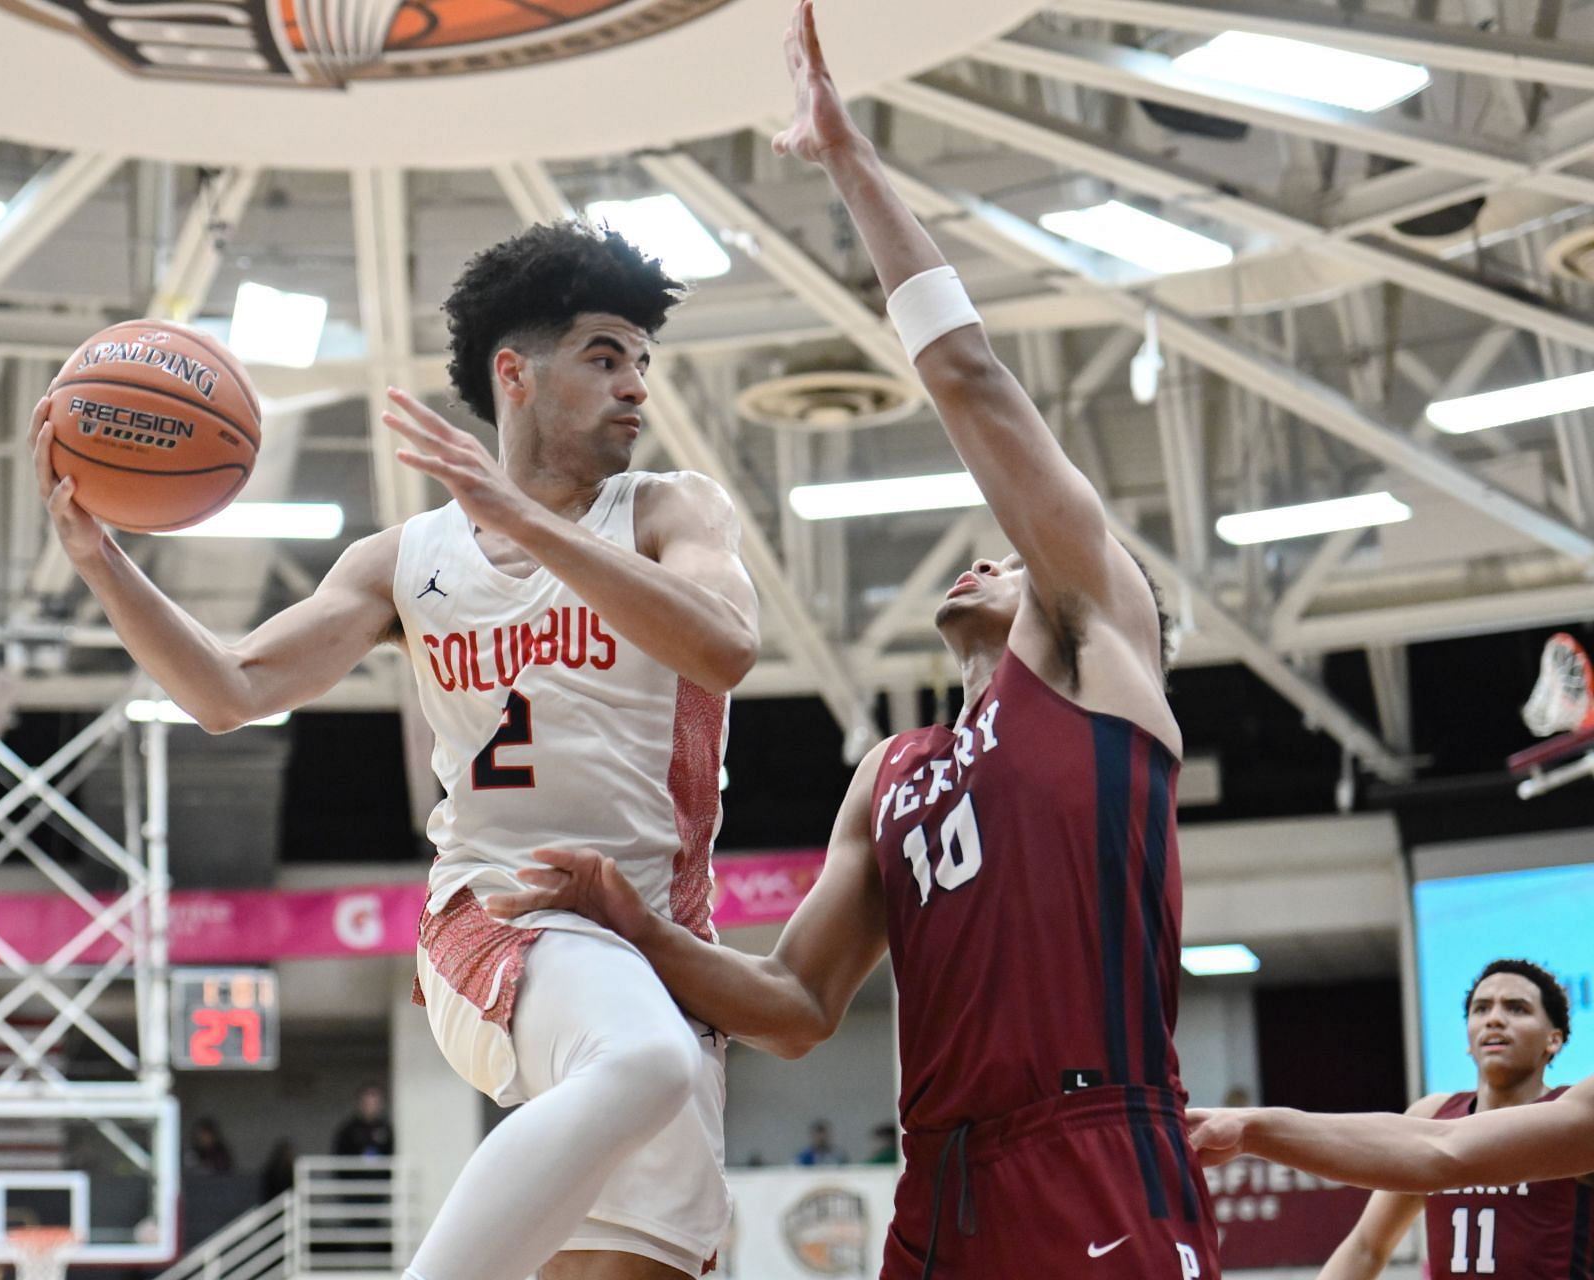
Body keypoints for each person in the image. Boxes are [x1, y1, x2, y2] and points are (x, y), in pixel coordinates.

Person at [490, 5, 1217, 1278]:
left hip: (1095, 1139)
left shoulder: (1106, 658)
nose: (984, 556)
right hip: (937, 1184)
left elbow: (975, 381)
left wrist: (845, 160)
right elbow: (794, 1009)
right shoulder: (892, 772)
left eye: (1014, 558)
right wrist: (640, 927)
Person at [34, 219, 759, 1280]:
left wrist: (525, 515)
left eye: (642, 362)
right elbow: (226, 689)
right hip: (495, 916)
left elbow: (726, 644)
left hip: (659, 952)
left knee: (645, 1213)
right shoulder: (404, 560)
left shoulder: (669, 511)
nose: (636, 386)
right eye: (606, 357)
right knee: (640, 1060)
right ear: (515, 373)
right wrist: (103, 563)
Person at [1314, 959, 1585, 1279]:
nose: (1494, 1019)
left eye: (1516, 1009)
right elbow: (1366, 1246)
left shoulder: (1575, 1121)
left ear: (1553, 1040)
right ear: (1469, 1041)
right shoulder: (1433, 1116)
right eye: (1482, 1009)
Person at [1187, 1076, 1594, 1190]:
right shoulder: (1439, 1111)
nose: (1494, 1020)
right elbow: (1437, 1148)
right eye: (1481, 1007)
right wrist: (1250, 1129)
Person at [332, 1085, 394, 1158]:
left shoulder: (386, 1128)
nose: (371, 1108)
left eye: (375, 1103)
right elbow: (339, 1155)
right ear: (360, 1103)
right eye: (367, 1103)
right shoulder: (348, 1129)